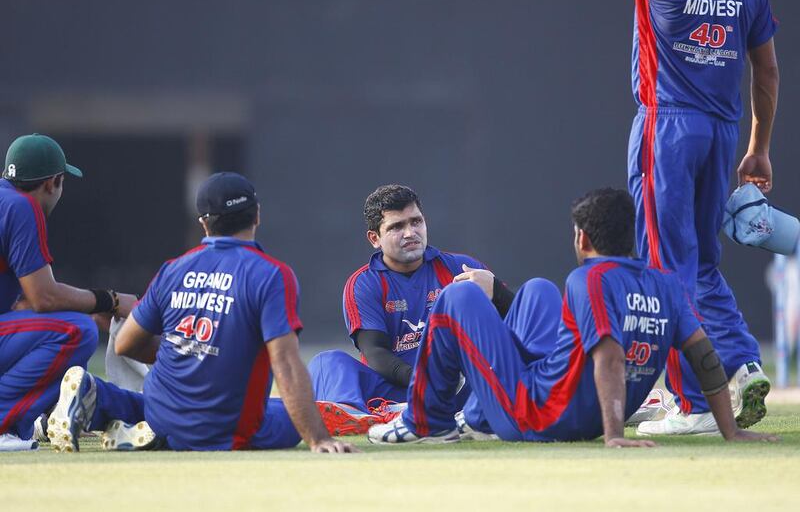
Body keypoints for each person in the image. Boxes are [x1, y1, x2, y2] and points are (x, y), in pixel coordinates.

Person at [368, 188, 778, 446]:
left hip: (536, 416)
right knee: (539, 291)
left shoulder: (588, 279)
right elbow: (705, 356)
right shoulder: (666, 284)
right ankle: (476, 415)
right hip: (576, 414)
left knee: (458, 298)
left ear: (581, 238)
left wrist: (615, 436)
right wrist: (731, 430)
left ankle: (427, 421)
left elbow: (610, 356)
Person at [47, 172, 356, 453]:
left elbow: (124, 344)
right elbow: (286, 364)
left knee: (165, 403)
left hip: (160, 412)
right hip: (222, 430)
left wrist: (192, 352)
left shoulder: (173, 269)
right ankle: (144, 433)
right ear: (257, 215)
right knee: (289, 416)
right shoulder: (272, 274)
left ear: (204, 224)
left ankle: (104, 400)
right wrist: (317, 438)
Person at [627, 0, 779, 434]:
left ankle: (692, 402)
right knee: (702, 265)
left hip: (668, 126)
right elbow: (766, 69)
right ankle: (740, 364)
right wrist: (760, 148)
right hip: (721, 132)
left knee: (665, 270)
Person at [308, 185, 520, 435]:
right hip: (395, 389)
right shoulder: (363, 283)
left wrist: (497, 290)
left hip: (458, 387)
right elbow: (375, 352)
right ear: (374, 238)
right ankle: (369, 415)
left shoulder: (462, 267)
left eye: (416, 221)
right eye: (397, 227)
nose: (410, 233)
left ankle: (429, 414)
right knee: (326, 362)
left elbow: (517, 323)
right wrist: (426, 381)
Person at [0, 134, 137, 451]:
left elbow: (26, 302)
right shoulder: (21, 206)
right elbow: (43, 297)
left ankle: (37, 420)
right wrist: (111, 301)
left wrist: (86, 304)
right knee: (76, 331)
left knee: (68, 323)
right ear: (52, 182)